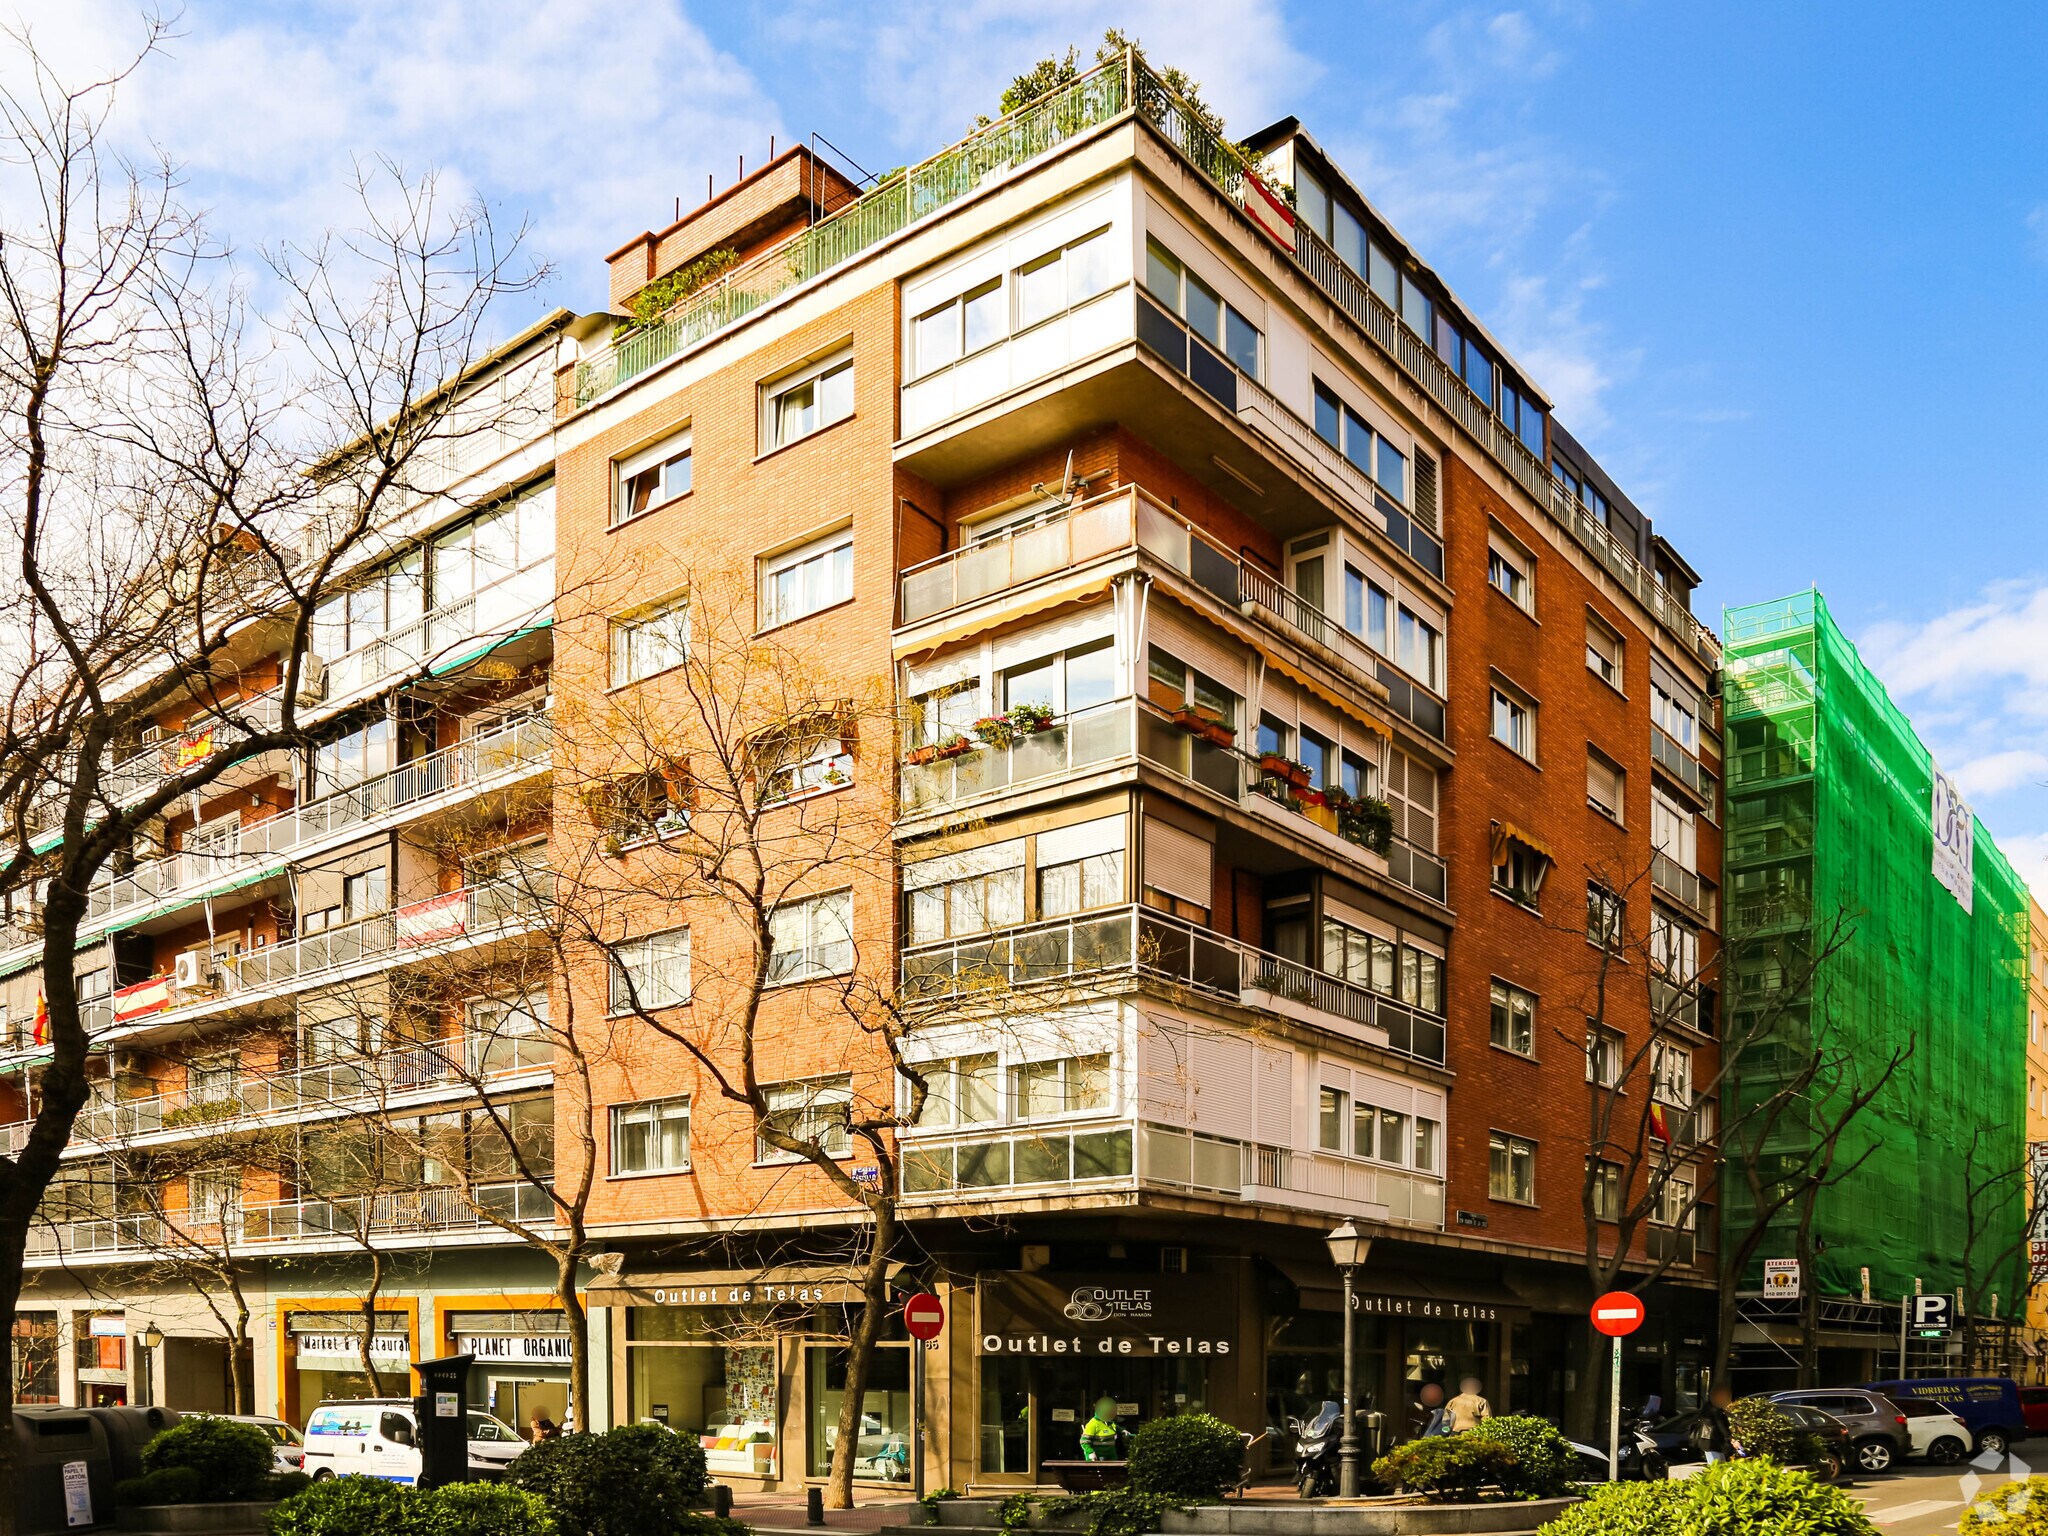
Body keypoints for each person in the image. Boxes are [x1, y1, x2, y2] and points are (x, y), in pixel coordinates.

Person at [1696, 1385, 1734, 1464]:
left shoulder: (1709, 1406)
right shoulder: (1715, 1409)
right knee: (1716, 1466)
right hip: (1712, 1442)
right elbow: (1720, 1425)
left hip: (1711, 1442)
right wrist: (1731, 1439)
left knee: (1720, 1466)